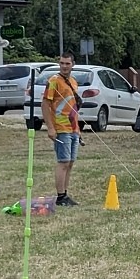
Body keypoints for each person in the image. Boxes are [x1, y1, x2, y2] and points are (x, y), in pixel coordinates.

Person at [41, 53, 81, 207]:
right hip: (60, 127)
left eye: (67, 63)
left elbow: (73, 106)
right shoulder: (53, 81)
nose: (64, 66)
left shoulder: (73, 82)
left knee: (70, 162)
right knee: (63, 161)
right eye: (62, 63)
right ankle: (60, 196)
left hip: (73, 128)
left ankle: (65, 193)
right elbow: (45, 104)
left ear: (73, 64)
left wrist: (78, 128)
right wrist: (50, 127)